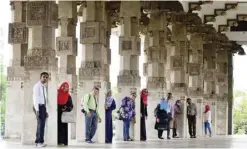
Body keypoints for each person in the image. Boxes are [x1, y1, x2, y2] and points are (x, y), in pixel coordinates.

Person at [33, 72, 49, 147]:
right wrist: (37, 110)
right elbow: (35, 98)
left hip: (43, 107)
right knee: (40, 125)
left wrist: (46, 111)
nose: (45, 78)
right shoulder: (37, 86)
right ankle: (39, 142)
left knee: (42, 125)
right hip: (38, 107)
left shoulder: (43, 86)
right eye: (44, 77)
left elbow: (45, 99)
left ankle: (39, 142)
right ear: (40, 77)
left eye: (46, 77)